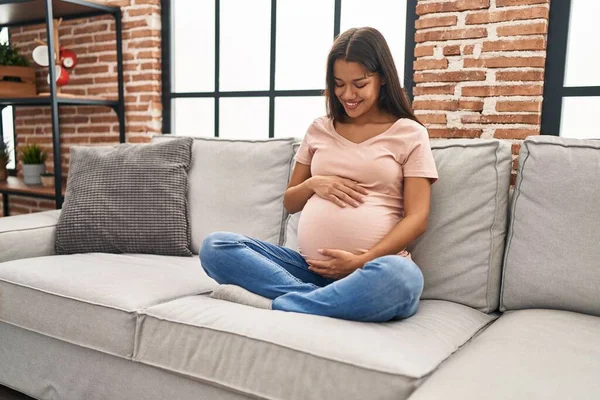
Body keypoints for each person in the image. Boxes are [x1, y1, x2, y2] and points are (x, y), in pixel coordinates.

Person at [199, 27, 438, 323]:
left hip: (371, 269)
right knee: (216, 247)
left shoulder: (410, 133)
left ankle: (282, 303)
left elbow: (418, 217)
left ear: (383, 78)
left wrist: (361, 261)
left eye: (359, 84)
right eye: (338, 84)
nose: (347, 95)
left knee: (402, 280)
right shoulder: (319, 128)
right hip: (308, 268)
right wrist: (314, 183)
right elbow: (290, 202)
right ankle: (320, 300)